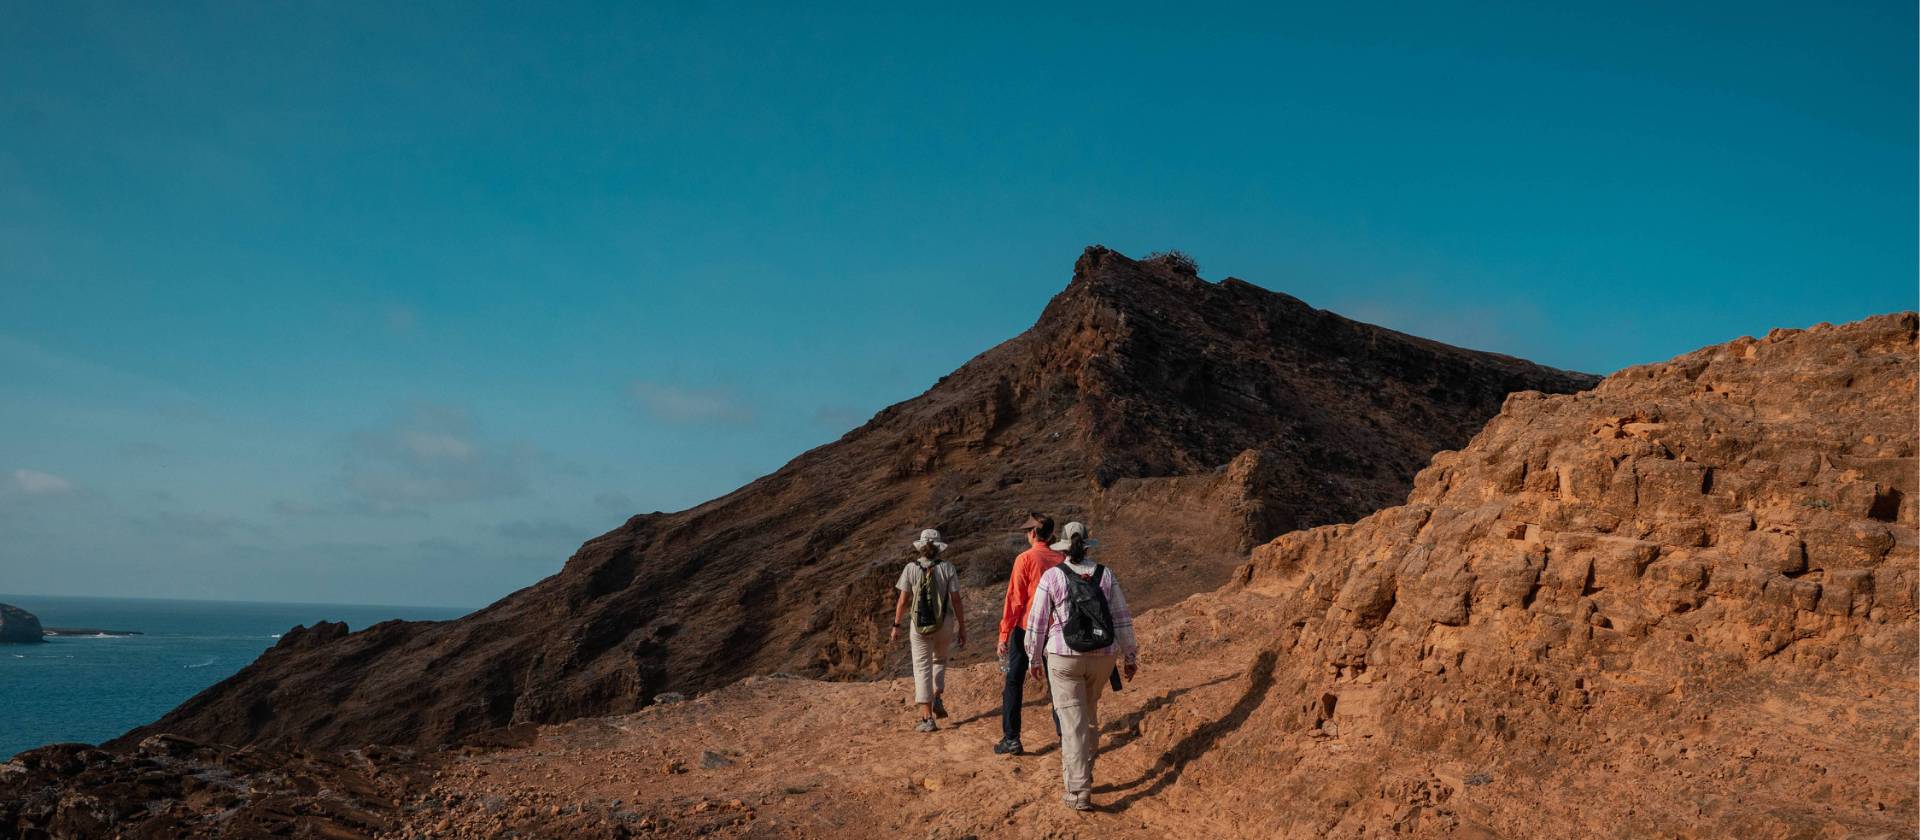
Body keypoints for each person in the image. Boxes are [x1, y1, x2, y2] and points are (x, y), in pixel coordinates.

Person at [1024, 521, 1138, 811]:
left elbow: (1037, 622)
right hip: (1103, 656)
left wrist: (1034, 658)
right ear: (1087, 544)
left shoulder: (1052, 576)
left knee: (1073, 725)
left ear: (1062, 545)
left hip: (1064, 656)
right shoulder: (1105, 574)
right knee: (1088, 716)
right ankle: (1085, 772)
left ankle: (1078, 791)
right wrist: (1130, 655)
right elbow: (1121, 617)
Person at [994, 512, 1063, 755]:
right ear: (1052, 535)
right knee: (1057, 683)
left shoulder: (1025, 558)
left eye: (1028, 531)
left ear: (1033, 533)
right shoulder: (1061, 557)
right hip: (1056, 629)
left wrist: (1004, 634)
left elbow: (1015, 600)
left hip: (1027, 629)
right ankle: (1065, 735)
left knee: (1014, 680)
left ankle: (1012, 738)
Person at [890, 528, 966, 732]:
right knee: (939, 660)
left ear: (921, 547)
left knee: (922, 667)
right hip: (944, 623)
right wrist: (962, 627)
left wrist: (896, 625)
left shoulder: (910, 568)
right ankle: (937, 695)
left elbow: (903, 601)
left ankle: (926, 718)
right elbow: (956, 600)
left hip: (920, 626)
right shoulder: (948, 568)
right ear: (939, 548)